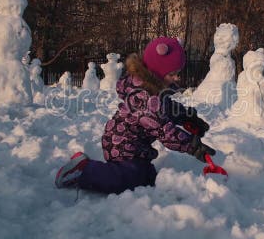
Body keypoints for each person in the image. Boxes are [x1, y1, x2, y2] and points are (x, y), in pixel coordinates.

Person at [55, 37, 215, 194]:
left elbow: (167, 107)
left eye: (177, 73)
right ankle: (83, 170)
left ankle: (134, 172)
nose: (177, 78)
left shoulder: (156, 91)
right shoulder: (144, 97)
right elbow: (164, 131)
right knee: (126, 180)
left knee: (146, 177)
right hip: (121, 145)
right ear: (157, 71)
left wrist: (186, 116)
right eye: (172, 74)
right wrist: (192, 145)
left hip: (137, 147)